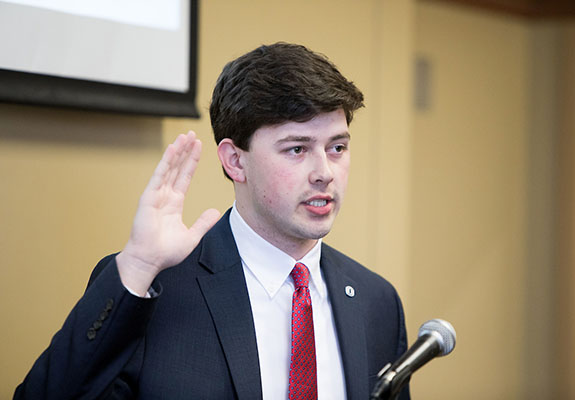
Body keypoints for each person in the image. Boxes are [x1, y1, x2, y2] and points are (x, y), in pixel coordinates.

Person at [14, 42, 410, 400]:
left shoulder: (378, 302)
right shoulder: (152, 289)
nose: (324, 172)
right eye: (297, 149)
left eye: (337, 147)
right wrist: (137, 268)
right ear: (235, 160)